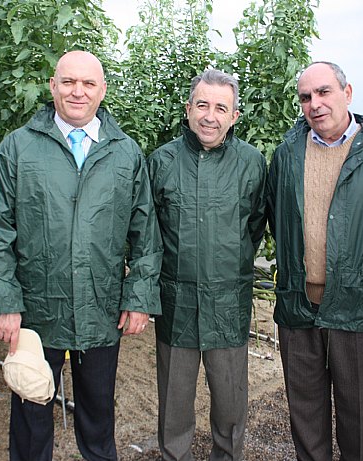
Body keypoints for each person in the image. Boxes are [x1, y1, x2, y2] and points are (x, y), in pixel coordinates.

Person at [0, 50, 162, 461]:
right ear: (53, 86)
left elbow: (146, 235)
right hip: (36, 313)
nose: (78, 91)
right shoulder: (19, 148)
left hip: (100, 308)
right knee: (31, 414)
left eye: (88, 83)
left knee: (97, 419)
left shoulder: (125, 153)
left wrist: (139, 298)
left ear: (102, 90)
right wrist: (3, 301)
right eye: (69, 82)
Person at [265, 61, 363, 461]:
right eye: (306, 97)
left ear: (347, 93)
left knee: (357, 413)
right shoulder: (287, 154)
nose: (315, 104)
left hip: (358, 306)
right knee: (305, 416)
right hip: (300, 306)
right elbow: (281, 220)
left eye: (324, 92)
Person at [147, 69, 267, 461]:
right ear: (188, 109)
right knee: (174, 404)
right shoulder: (162, 161)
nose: (209, 116)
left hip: (227, 304)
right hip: (176, 303)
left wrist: (227, 266)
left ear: (234, 116)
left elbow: (254, 226)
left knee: (230, 402)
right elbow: (151, 232)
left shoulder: (251, 163)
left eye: (221, 107)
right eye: (202, 105)